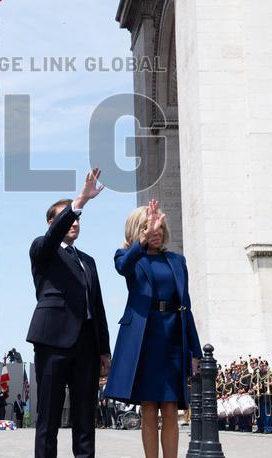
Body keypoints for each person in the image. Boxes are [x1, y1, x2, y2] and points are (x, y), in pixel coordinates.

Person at [104, 199, 201, 458]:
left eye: (160, 226)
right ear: (138, 230)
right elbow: (122, 267)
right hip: (145, 339)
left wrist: (195, 351)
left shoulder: (177, 261)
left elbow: (186, 306)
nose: (156, 231)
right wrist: (143, 241)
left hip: (172, 336)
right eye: (149, 226)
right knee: (149, 407)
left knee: (170, 407)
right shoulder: (128, 257)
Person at [26, 168, 110, 458]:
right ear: (53, 223)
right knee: (48, 417)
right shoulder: (42, 248)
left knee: (85, 418)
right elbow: (51, 239)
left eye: (77, 220)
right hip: (52, 343)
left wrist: (104, 350)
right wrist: (79, 202)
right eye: (68, 219)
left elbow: (97, 308)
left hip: (86, 345)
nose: (75, 223)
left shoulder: (88, 261)